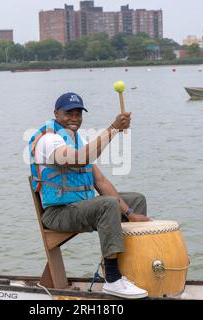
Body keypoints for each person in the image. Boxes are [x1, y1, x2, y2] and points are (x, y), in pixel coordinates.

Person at [29, 92, 151, 299]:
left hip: (80, 206)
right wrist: (113, 129)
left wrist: (130, 213)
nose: (74, 117)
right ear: (56, 113)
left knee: (136, 199)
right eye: (69, 113)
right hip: (58, 214)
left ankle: (127, 268)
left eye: (78, 113)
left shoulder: (77, 139)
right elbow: (78, 159)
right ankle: (113, 280)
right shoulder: (49, 140)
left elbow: (101, 182)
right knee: (108, 205)